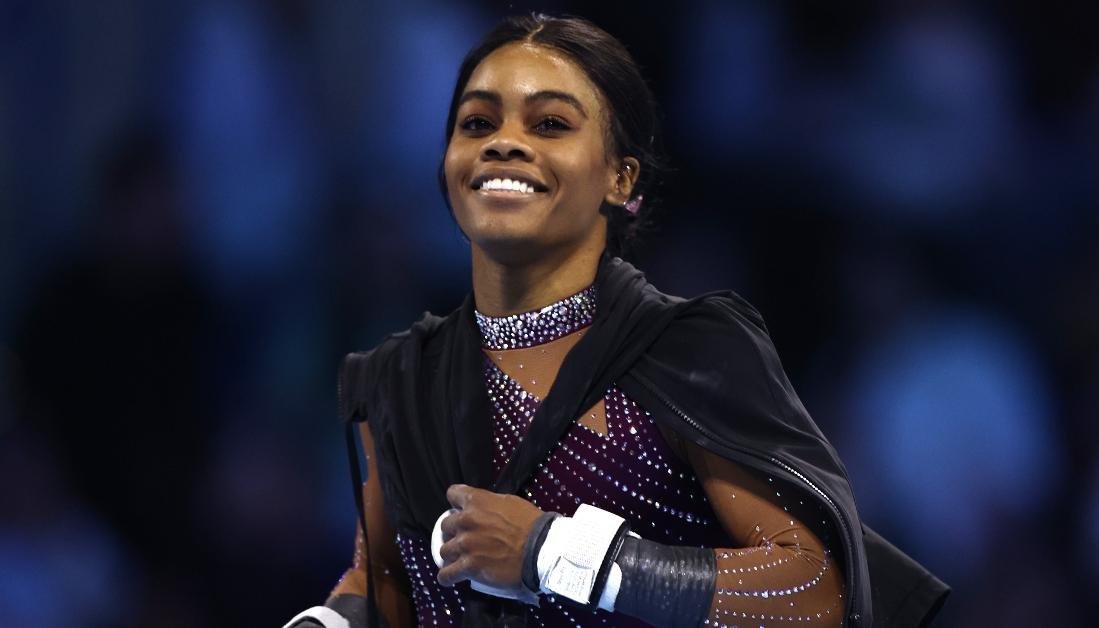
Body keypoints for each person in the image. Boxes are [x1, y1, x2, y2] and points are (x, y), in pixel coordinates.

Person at [284, 14, 947, 628]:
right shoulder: (400, 377)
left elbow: (816, 589)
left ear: (619, 180)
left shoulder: (688, 352)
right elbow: (384, 587)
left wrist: (552, 554)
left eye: (549, 125)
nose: (505, 145)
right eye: (478, 123)